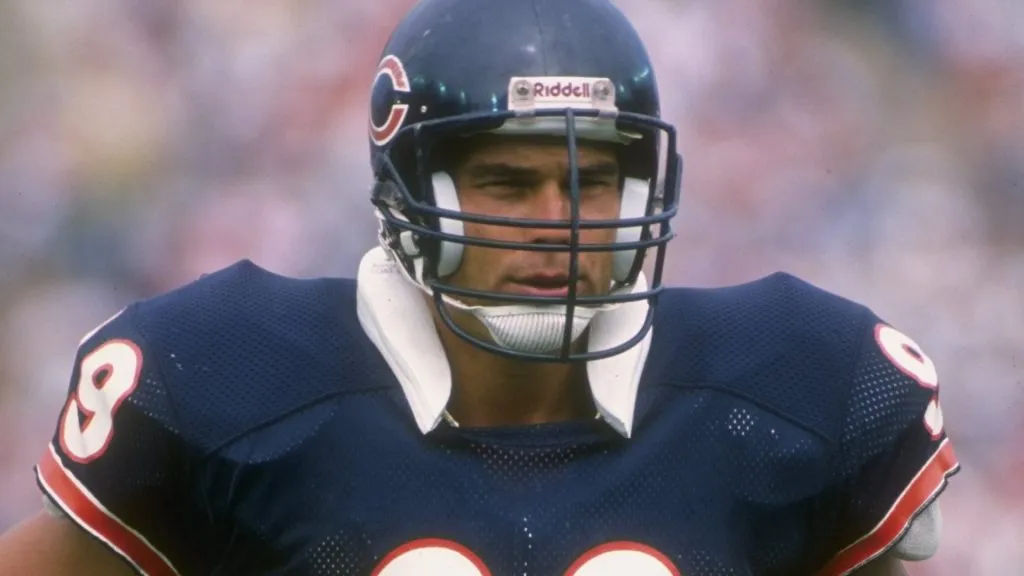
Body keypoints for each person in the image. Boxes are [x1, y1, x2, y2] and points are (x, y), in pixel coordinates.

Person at [0, 0, 959, 574]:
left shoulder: (798, 389)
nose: (558, 220)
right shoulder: (222, 375)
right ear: (410, 187)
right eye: (508, 181)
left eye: (591, 181)